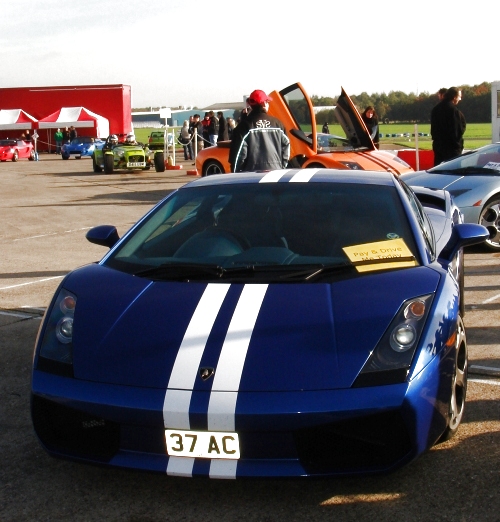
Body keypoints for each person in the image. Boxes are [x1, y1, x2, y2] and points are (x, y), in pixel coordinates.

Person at [229, 89, 290, 173]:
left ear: (251, 105)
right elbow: (286, 148)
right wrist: (281, 168)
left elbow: (237, 156)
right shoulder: (278, 124)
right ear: (264, 103)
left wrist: (236, 175)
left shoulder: (243, 126)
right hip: (275, 175)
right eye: (268, 102)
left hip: (251, 178)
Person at [430, 87, 465, 166]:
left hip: (438, 147)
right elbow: (457, 131)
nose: (460, 99)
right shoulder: (454, 111)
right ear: (454, 97)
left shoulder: (435, 109)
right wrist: (458, 146)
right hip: (452, 149)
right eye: (459, 97)